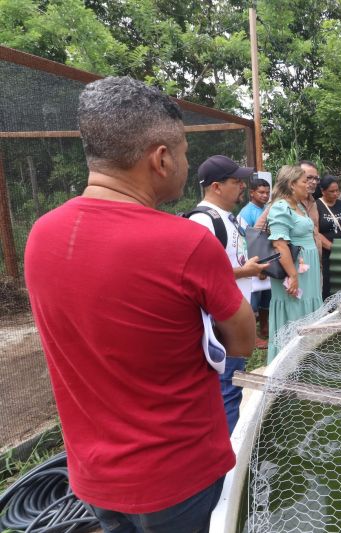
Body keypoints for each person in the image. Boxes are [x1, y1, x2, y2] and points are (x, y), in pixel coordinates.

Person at [24, 76, 255, 532]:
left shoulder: (41, 235)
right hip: (176, 476)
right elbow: (242, 341)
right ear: (161, 158)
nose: (186, 162)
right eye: (185, 152)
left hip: (94, 476)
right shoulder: (186, 243)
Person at [190, 155, 266, 434]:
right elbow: (200, 276)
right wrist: (244, 272)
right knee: (228, 388)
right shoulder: (204, 221)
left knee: (230, 385)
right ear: (216, 187)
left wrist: (251, 270)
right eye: (235, 181)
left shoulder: (226, 217)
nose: (241, 187)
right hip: (220, 323)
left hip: (235, 315)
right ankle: (228, 458)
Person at [265, 165, 323, 363]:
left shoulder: (298, 207)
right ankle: (289, 362)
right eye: (304, 181)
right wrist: (293, 275)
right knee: (295, 310)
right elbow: (280, 244)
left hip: (308, 269)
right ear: (291, 184)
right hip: (294, 271)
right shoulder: (280, 208)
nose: (308, 185)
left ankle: (306, 358)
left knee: (307, 309)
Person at [238, 178, 272, 345]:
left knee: (267, 296)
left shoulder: (267, 209)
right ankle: (252, 336)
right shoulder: (246, 213)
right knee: (253, 300)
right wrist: (257, 269)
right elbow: (246, 242)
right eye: (261, 192)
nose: (265, 196)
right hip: (254, 263)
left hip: (267, 259)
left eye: (267, 192)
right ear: (252, 193)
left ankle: (265, 328)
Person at [316, 175, 341, 299]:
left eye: (337, 190)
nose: (336, 194)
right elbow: (315, 232)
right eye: (331, 191)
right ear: (323, 191)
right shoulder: (316, 205)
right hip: (326, 253)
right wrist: (332, 247)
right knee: (329, 284)